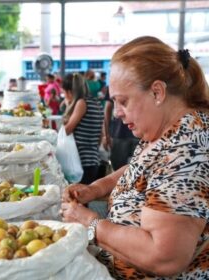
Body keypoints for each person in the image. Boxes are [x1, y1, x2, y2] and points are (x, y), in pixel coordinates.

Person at [61, 36, 209, 279]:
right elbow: (139, 170)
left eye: (123, 102)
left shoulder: (188, 148)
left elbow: (164, 256)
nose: (117, 113)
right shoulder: (165, 130)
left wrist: (91, 223)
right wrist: (95, 189)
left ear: (157, 92)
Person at [61, 73, 104, 184]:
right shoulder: (97, 103)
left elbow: (67, 130)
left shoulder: (81, 103)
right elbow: (99, 136)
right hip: (92, 161)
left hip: (80, 163)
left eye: (64, 92)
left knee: (73, 200)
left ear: (70, 92)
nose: (64, 95)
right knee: (81, 200)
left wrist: (67, 106)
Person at [102, 89, 139, 170]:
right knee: (118, 170)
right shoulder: (115, 80)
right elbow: (107, 111)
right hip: (120, 134)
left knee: (138, 171)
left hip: (140, 134)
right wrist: (105, 135)